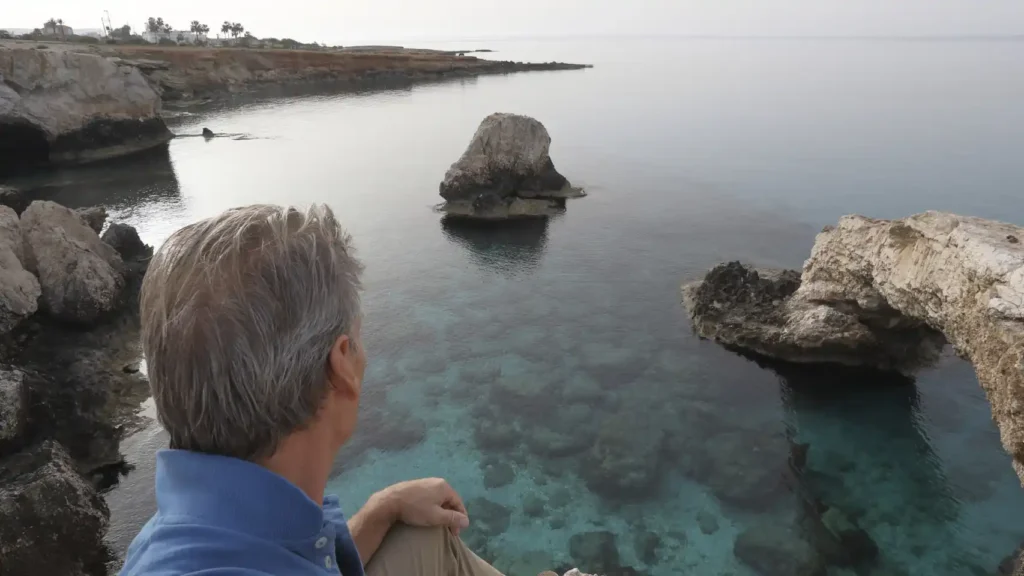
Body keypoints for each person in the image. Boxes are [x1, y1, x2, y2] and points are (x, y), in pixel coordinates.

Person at [120, 204, 505, 576]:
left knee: (421, 540)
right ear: (341, 365)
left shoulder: (187, 531)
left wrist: (382, 509)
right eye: (358, 337)